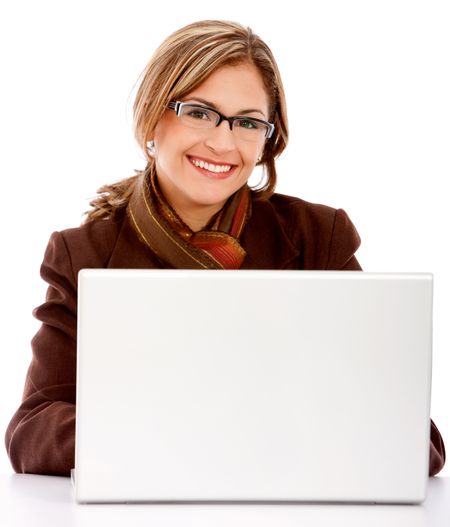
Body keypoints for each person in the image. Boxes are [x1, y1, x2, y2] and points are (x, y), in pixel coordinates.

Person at [5, 20, 445, 477]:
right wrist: (188, 435)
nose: (222, 142)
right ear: (154, 116)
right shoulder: (84, 254)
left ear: (267, 140)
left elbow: (417, 442)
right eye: (199, 112)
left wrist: (235, 435)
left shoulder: (318, 238)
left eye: (248, 122)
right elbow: (32, 430)